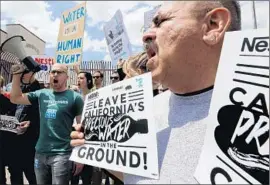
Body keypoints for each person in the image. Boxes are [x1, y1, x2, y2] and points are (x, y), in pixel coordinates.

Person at [70, 0, 241, 184]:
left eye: (160, 22)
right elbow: (139, 179)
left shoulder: (255, 119)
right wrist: (96, 146)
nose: (145, 36)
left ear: (213, 24)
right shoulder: (145, 111)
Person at [10, 63, 85, 184]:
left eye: (59, 72)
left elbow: (81, 128)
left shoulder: (75, 98)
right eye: (53, 72)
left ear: (66, 77)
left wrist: (79, 157)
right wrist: (16, 75)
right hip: (40, 153)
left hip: (62, 155)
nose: (55, 74)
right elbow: (15, 98)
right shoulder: (42, 93)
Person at [70, 71, 94, 185]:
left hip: (88, 138)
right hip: (75, 136)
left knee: (86, 176)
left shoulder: (94, 97)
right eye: (77, 78)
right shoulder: (75, 97)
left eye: (81, 78)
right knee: (74, 175)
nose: (78, 80)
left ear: (88, 81)